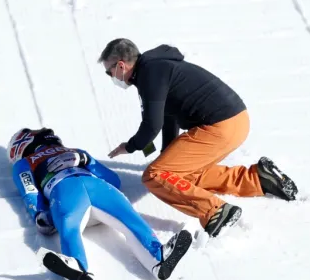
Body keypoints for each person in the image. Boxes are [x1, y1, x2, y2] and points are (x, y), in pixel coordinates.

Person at [98, 38, 298, 238]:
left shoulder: (150, 74)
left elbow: (152, 125)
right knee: (178, 174)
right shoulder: (157, 67)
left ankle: (214, 212)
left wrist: (131, 146)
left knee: (155, 175)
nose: (111, 77)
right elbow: (169, 116)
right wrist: (166, 154)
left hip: (219, 126)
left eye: (109, 72)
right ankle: (257, 179)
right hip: (237, 121)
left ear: (121, 65)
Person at [9, 127, 194, 280]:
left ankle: (79, 263)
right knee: (125, 218)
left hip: (69, 190)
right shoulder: (33, 160)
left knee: (74, 223)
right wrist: (40, 213)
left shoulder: (40, 159)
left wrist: (38, 212)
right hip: (80, 188)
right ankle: (155, 256)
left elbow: (29, 191)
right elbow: (113, 181)